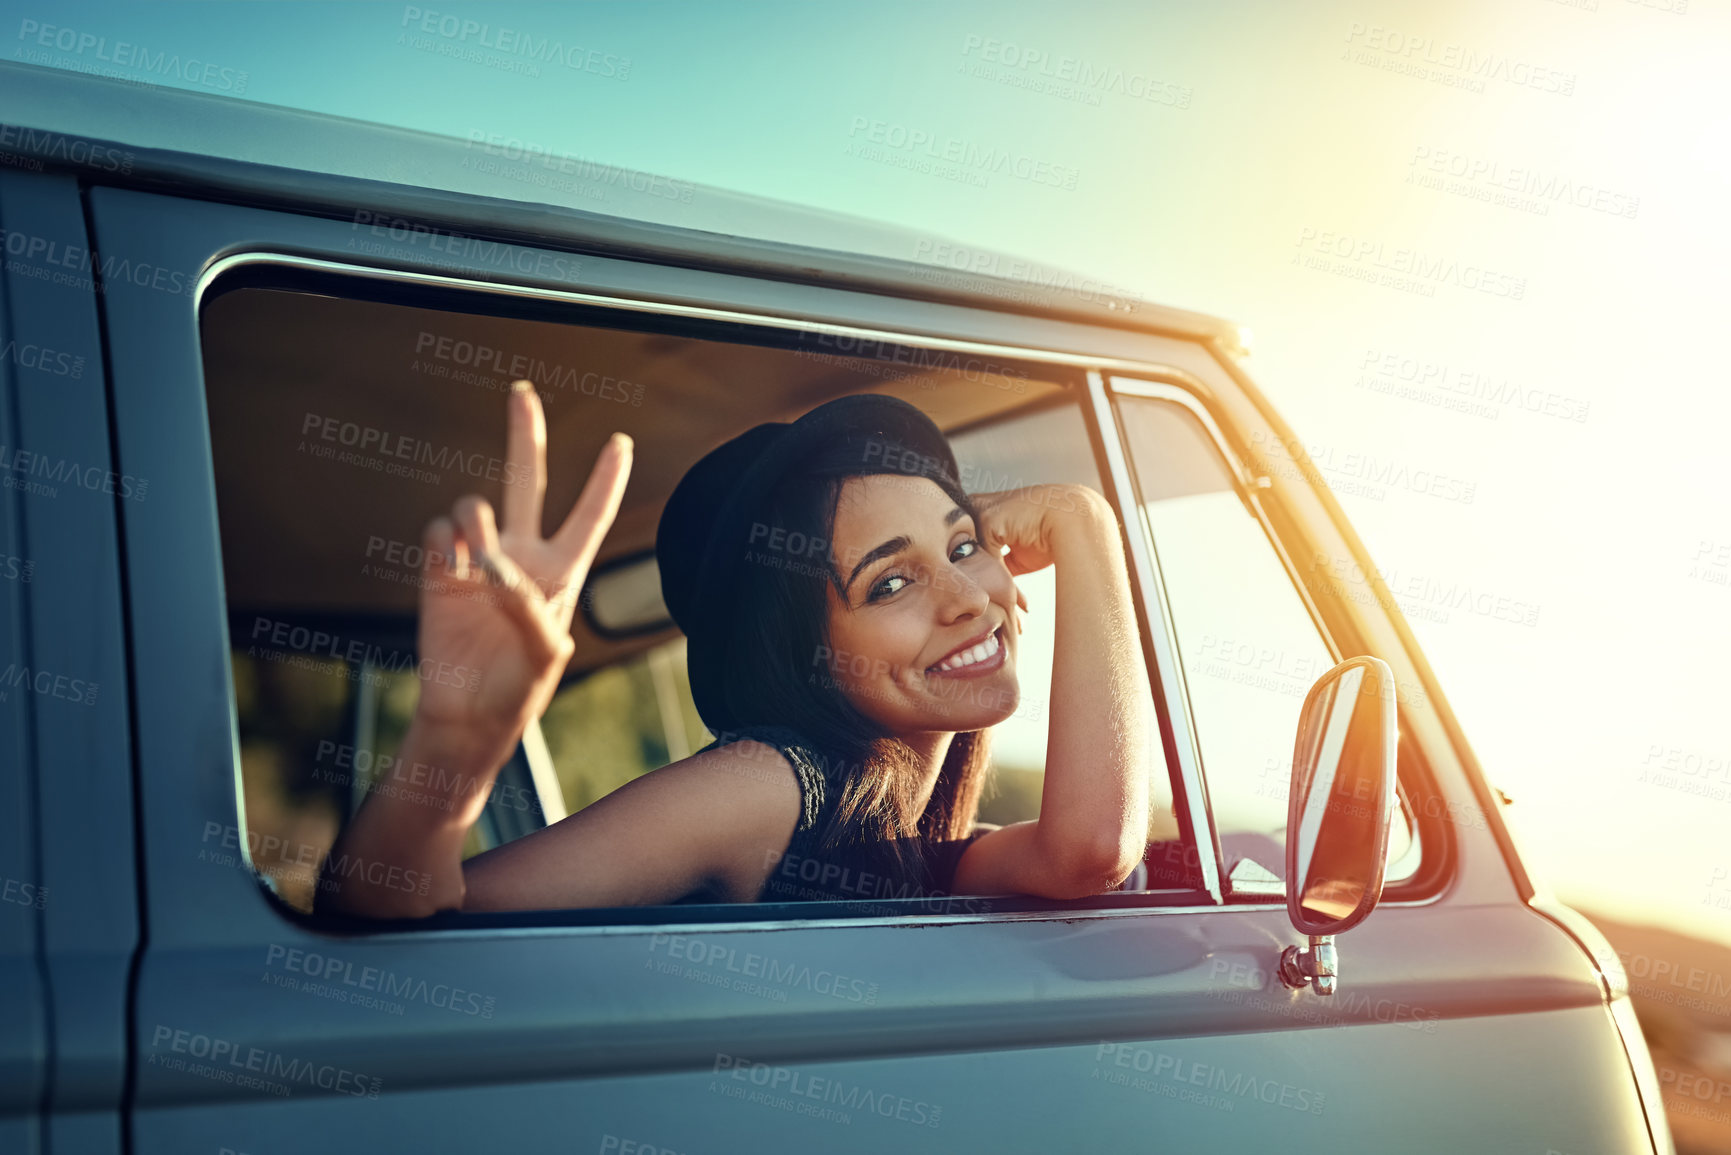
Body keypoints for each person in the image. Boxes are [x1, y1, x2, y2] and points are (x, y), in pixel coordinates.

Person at [318, 381, 1152, 918]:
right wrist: (456, 741)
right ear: (801, 651)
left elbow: (1076, 850)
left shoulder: (908, 835)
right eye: (889, 583)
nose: (969, 597)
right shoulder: (769, 783)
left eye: (963, 544)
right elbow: (400, 914)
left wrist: (1080, 521)